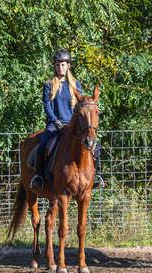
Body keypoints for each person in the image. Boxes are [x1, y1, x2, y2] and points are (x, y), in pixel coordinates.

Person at [30, 50, 102, 191]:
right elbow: (47, 105)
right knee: (43, 145)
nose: (60, 68)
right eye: (57, 65)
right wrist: (55, 121)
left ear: (68, 65)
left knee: (96, 145)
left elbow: (81, 106)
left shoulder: (76, 85)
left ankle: (97, 176)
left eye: (63, 65)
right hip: (54, 124)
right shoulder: (49, 85)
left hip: (72, 125)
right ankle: (39, 177)